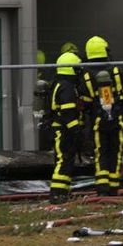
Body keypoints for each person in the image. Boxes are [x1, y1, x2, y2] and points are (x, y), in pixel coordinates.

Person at [79, 35, 123, 196]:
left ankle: (102, 188)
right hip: (117, 121)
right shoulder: (116, 71)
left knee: (101, 153)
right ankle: (113, 188)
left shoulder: (86, 75)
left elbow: (85, 102)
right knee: (115, 153)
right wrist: (120, 102)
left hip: (98, 122)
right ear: (105, 51)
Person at [49, 51, 84, 203]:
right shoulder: (67, 87)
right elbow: (68, 113)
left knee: (66, 161)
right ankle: (57, 194)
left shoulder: (61, 84)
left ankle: (62, 192)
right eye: (77, 68)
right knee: (63, 161)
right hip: (63, 131)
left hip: (63, 129)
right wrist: (77, 130)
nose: (79, 72)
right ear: (71, 69)